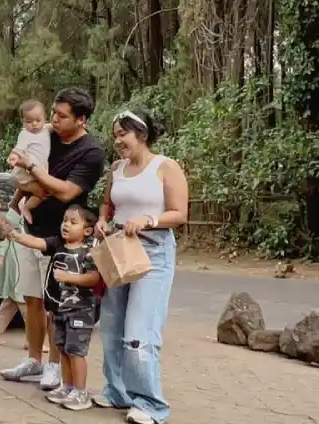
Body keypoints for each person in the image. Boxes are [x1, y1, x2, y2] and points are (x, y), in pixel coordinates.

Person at [0, 87, 106, 391]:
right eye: (54, 113)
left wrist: (30, 167)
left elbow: (66, 191)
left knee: (55, 305)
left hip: (62, 239)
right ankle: (33, 359)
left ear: (81, 119)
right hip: (31, 230)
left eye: (62, 116)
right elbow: (22, 153)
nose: (54, 120)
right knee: (32, 299)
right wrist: (17, 157)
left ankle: (54, 365)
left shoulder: (91, 153)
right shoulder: (44, 133)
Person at [93, 109, 188, 424]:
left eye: (124, 134)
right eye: (115, 135)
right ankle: (118, 391)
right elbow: (108, 203)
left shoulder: (166, 167)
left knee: (138, 333)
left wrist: (149, 219)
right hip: (119, 249)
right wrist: (103, 220)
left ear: (142, 135)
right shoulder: (117, 169)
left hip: (153, 252)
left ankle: (151, 405)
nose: (118, 140)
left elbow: (179, 213)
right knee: (111, 327)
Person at [9, 205, 101, 410]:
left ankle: (81, 392)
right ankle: (67, 386)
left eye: (73, 222)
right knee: (64, 349)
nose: (66, 225)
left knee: (77, 351)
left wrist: (70, 277)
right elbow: (35, 242)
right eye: (65, 220)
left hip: (80, 311)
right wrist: (12, 234)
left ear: (87, 230)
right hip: (59, 310)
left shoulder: (89, 253)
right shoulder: (57, 245)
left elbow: (94, 278)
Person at [7, 99, 52, 224]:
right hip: (25, 173)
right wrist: (13, 157)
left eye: (38, 120)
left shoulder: (46, 129)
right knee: (43, 193)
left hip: (34, 172)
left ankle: (14, 202)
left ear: (45, 118)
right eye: (29, 121)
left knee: (28, 188)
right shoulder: (25, 134)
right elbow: (18, 148)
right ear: (23, 122)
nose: (34, 124)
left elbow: (55, 126)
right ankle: (26, 208)